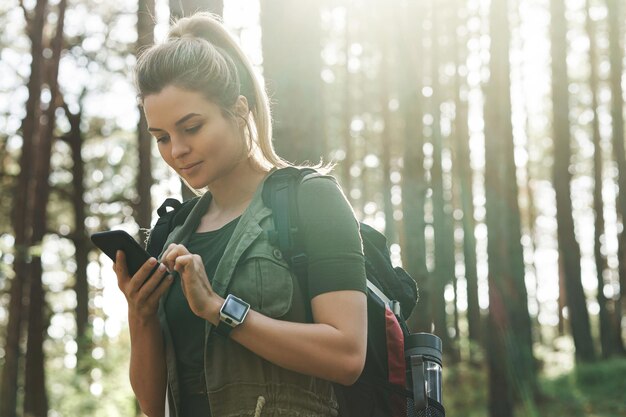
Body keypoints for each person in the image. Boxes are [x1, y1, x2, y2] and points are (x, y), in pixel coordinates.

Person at [113, 12, 367, 417]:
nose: (176, 150)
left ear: (239, 109)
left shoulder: (311, 200)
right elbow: (151, 405)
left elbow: (348, 355)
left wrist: (218, 309)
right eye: (161, 137)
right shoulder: (171, 232)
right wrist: (140, 314)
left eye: (191, 127)